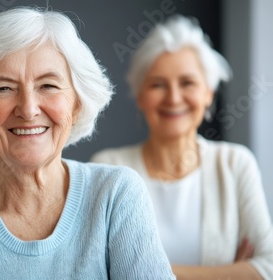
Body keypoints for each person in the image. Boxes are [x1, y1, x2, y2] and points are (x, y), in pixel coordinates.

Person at [0, 7, 175, 279]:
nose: (28, 109)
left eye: (48, 85)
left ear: (76, 105)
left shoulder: (116, 195)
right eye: (4, 88)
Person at [91, 15, 273, 279]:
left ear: (208, 93)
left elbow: (268, 268)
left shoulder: (234, 164)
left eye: (187, 83)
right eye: (157, 85)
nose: (174, 98)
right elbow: (92, 270)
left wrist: (140, 270)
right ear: (141, 96)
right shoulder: (107, 166)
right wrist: (229, 273)